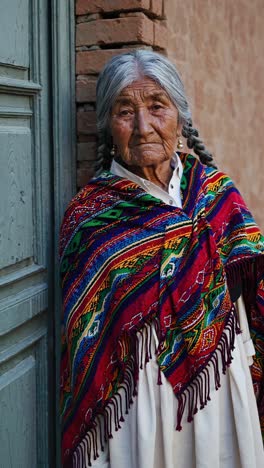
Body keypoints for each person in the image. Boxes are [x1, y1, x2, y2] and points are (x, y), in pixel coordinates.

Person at [59, 50, 264, 468]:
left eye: (157, 107)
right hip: (138, 407)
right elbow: (88, 340)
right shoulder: (89, 218)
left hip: (221, 384)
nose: (143, 127)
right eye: (125, 111)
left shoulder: (216, 191)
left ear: (179, 117)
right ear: (108, 125)